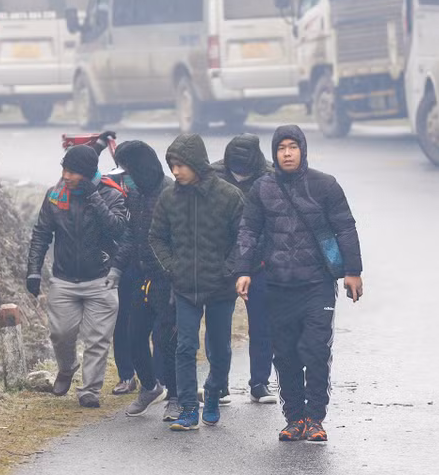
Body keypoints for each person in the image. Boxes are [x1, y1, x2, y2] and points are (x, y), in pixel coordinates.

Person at [235, 125, 363, 443]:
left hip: (317, 283)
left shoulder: (324, 186)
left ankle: (315, 418)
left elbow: (345, 227)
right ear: (274, 153)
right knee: (286, 354)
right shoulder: (262, 188)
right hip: (278, 284)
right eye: (281, 148)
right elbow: (249, 230)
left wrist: (353, 271)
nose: (287, 153)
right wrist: (243, 269)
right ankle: (294, 418)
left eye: (293, 147)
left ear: (303, 150)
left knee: (315, 350)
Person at [149, 134, 245, 432]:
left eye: (180, 165)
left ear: (196, 164)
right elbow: (156, 237)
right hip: (184, 287)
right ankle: (189, 409)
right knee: (184, 347)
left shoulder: (229, 196)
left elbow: (244, 239)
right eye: (172, 165)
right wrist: (172, 268)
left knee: (219, 349)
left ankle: (214, 393)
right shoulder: (169, 197)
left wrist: (228, 270)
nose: (175, 171)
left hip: (220, 288)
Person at [26, 144, 129, 408]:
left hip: (101, 279)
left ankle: (90, 390)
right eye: (64, 169)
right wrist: (34, 270)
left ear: (86, 173)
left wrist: (93, 197)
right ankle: (68, 366)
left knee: (98, 338)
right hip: (64, 279)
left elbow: (118, 230)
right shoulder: (55, 195)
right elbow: (41, 234)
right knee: (61, 334)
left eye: (72, 172)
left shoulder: (111, 194)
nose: (66, 176)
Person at [114, 140, 180, 420]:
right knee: (134, 336)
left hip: (168, 279)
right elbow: (131, 233)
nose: (124, 175)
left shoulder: (171, 193)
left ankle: (175, 397)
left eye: (127, 168)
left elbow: (180, 239)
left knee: (167, 340)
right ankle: (150, 386)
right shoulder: (135, 194)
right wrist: (117, 267)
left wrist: (178, 278)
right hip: (142, 277)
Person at [211, 134, 277, 404]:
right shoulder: (212, 174)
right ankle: (219, 384)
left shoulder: (271, 176)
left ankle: (260, 383)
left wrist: (254, 261)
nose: (239, 173)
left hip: (260, 263)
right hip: (220, 262)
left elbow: (272, 223)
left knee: (262, 326)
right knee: (218, 327)